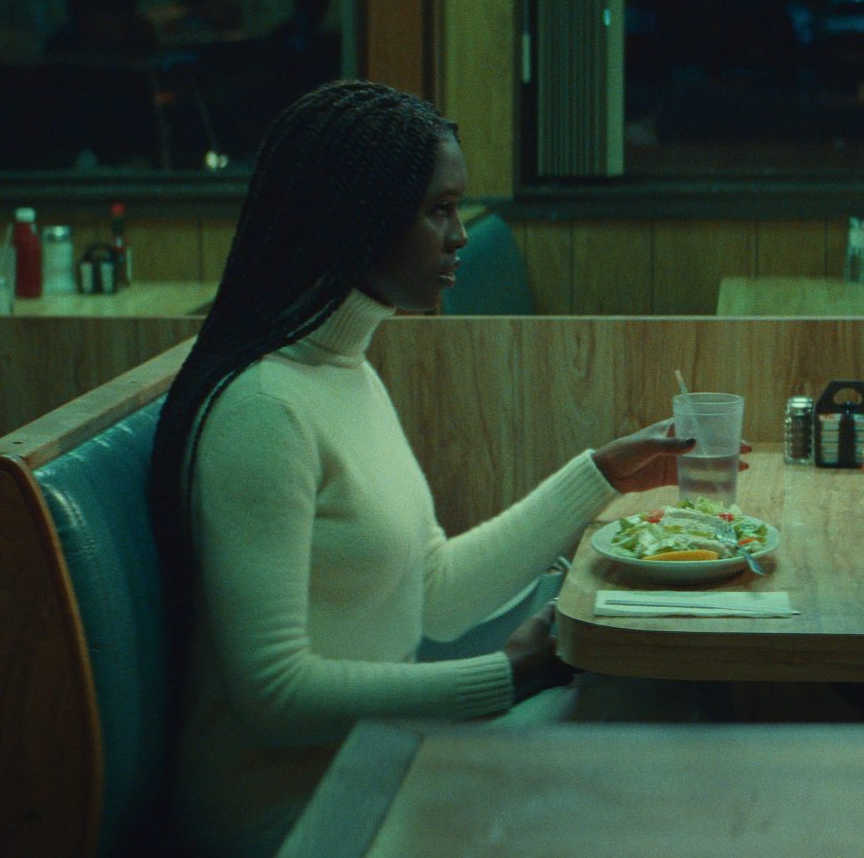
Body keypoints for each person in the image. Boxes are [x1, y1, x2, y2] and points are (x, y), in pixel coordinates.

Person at [145, 81, 699, 857]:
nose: (461, 236)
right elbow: (274, 697)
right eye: (439, 210)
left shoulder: (343, 369)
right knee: (649, 760)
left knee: (668, 716)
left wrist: (600, 475)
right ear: (358, 216)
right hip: (292, 816)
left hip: (374, 761)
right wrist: (511, 674)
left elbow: (432, 593)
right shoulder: (265, 408)